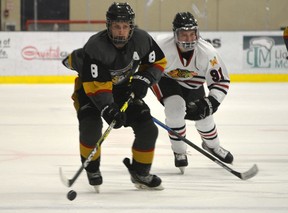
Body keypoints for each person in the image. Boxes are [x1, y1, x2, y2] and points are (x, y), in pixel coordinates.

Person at [62, 2, 167, 191]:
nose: (121, 32)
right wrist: (108, 109)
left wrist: (144, 79)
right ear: (108, 26)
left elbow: (158, 62)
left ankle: (141, 173)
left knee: (148, 129)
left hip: (122, 89)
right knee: (91, 129)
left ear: (131, 27)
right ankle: (92, 169)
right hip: (90, 90)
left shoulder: (142, 39)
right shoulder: (96, 46)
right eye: (116, 26)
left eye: (125, 26)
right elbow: (97, 86)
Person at [151, 12, 233, 174]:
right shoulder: (160, 46)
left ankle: (213, 146)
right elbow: (144, 65)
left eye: (192, 34)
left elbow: (220, 81)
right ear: (175, 34)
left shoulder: (208, 53)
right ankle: (179, 150)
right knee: (175, 108)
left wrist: (210, 102)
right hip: (166, 81)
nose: (189, 39)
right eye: (184, 34)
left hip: (192, 85)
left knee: (204, 116)